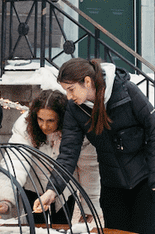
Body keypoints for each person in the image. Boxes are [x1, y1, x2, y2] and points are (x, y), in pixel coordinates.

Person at [36, 57, 155, 234]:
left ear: (87, 82)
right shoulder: (75, 110)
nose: (70, 96)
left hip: (145, 184)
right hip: (113, 185)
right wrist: (53, 190)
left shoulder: (126, 92)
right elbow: (68, 153)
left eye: (72, 89)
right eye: (66, 90)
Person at [6, 91, 100, 221]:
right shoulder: (25, 126)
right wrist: (5, 198)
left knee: (61, 230)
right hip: (34, 186)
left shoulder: (75, 128)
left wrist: (89, 206)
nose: (44, 126)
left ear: (61, 118)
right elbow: (15, 162)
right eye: (40, 119)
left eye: (50, 120)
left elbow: (88, 168)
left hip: (65, 188)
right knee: (36, 229)